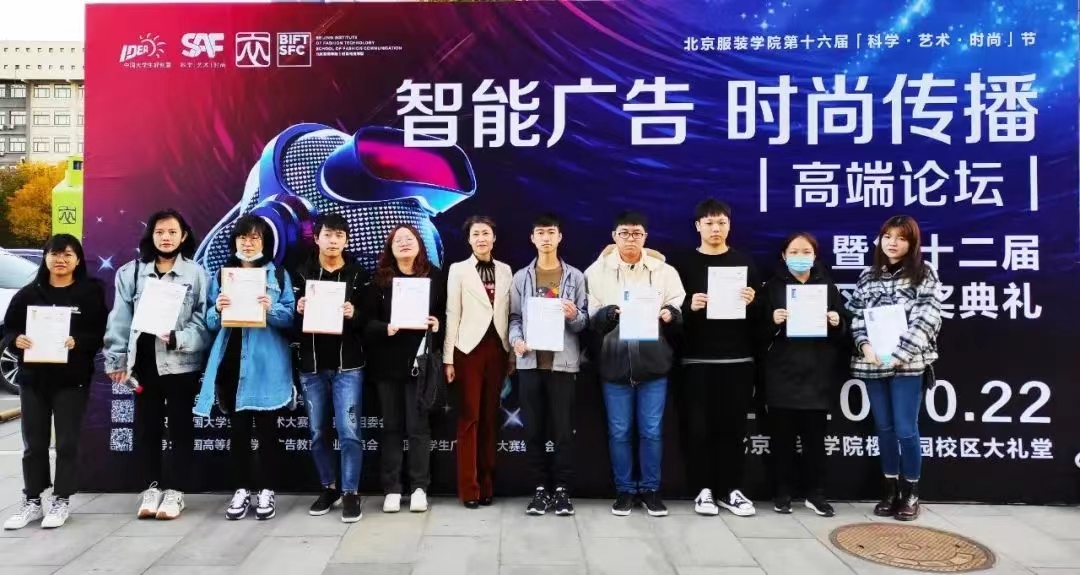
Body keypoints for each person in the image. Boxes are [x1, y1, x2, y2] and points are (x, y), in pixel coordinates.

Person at [103, 209, 212, 521]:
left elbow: (204, 322)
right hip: (143, 365)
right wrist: (116, 359)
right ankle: (151, 488)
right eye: (160, 232)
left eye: (172, 232)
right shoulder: (131, 273)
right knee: (147, 429)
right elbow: (119, 319)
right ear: (151, 235)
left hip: (181, 364)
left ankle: (176, 491)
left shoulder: (197, 274)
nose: (166, 238)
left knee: (180, 428)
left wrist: (180, 338)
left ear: (184, 236)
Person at [193, 215, 297, 521]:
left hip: (267, 364)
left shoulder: (278, 275)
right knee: (237, 432)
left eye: (254, 238)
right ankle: (241, 489)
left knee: (267, 432)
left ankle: (266, 489)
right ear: (235, 241)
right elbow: (210, 322)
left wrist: (270, 308)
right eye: (242, 237)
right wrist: (217, 309)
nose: (248, 243)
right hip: (231, 362)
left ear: (264, 242)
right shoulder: (222, 275)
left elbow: (290, 318)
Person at [2, 235, 107, 530]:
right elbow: (9, 330)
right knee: (33, 443)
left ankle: (61, 499)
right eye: (55, 254)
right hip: (33, 379)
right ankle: (32, 500)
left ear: (78, 260)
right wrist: (16, 340)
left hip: (71, 380)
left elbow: (100, 333)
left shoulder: (89, 293)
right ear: (46, 258)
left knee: (67, 442)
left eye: (67, 255)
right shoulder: (27, 294)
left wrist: (78, 341)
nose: (60, 260)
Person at [584, 211, 685, 517]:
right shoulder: (596, 271)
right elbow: (590, 315)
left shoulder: (664, 271)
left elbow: (677, 304)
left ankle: (651, 490)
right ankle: (625, 490)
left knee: (651, 431)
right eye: (624, 233)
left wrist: (670, 313)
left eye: (637, 233)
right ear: (614, 236)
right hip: (614, 364)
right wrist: (608, 314)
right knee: (619, 432)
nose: (631, 239)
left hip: (654, 364)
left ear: (645, 237)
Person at [847, 215, 942, 522]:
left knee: (905, 428)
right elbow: (856, 315)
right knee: (884, 428)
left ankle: (911, 492)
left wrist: (900, 354)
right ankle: (889, 490)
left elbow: (927, 318)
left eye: (901, 238)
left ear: (912, 243)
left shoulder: (924, 273)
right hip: (873, 363)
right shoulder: (867, 276)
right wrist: (864, 345)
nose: (893, 243)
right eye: (887, 236)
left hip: (908, 364)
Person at [674, 198, 761, 517]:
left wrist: (753, 302)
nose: (716, 228)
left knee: (733, 430)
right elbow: (669, 315)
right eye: (709, 223)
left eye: (721, 222)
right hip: (695, 361)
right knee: (698, 430)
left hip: (737, 360)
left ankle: (732, 490)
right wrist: (689, 307)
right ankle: (703, 490)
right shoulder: (682, 264)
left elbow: (761, 319)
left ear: (729, 225)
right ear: (698, 226)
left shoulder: (744, 263)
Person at [761, 232, 849, 517]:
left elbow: (843, 331)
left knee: (815, 442)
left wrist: (836, 321)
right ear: (784, 256)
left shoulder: (827, 286)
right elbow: (756, 333)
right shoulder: (771, 287)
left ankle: (815, 494)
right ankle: (782, 493)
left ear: (815, 255)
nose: (800, 257)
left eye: (806, 252)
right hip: (782, 373)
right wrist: (772, 321)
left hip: (817, 374)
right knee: (782, 440)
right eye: (794, 252)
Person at [290, 213, 371, 523]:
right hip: (311, 366)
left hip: (348, 366)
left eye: (339, 235)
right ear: (317, 238)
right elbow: (288, 323)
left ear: (346, 240)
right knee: (317, 432)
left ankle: (350, 492)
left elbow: (370, 320)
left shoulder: (358, 274)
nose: (333, 240)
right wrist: (298, 308)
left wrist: (355, 313)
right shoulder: (301, 273)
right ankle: (329, 487)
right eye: (328, 235)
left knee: (349, 432)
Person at [508, 213, 588, 517]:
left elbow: (584, 323)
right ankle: (540, 490)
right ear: (532, 238)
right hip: (530, 364)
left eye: (551, 232)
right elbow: (514, 318)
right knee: (533, 430)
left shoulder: (575, 277)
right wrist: (516, 340)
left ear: (560, 237)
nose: (545, 238)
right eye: (540, 232)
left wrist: (573, 315)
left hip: (563, 365)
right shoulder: (521, 277)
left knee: (564, 431)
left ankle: (563, 490)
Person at [361, 224, 445, 514]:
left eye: (410, 238)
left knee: (419, 427)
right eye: (398, 240)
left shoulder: (434, 277)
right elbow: (365, 323)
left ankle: (420, 487)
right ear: (391, 248)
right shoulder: (380, 280)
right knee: (392, 427)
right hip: (387, 366)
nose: (405, 243)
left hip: (420, 365)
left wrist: (437, 325)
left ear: (420, 244)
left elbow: (445, 315)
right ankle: (392, 488)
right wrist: (385, 328)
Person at [443, 215, 513, 509]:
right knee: (469, 417)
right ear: (468, 240)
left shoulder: (506, 270)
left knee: (490, 418)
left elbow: (509, 313)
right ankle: (469, 488)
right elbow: (452, 314)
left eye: (486, 233)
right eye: (476, 234)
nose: (481, 239)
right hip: (467, 350)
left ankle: (487, 486)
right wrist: (448, 358)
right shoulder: (458, 270)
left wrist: (510, 355)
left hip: (498, 349)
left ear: (494, 238)